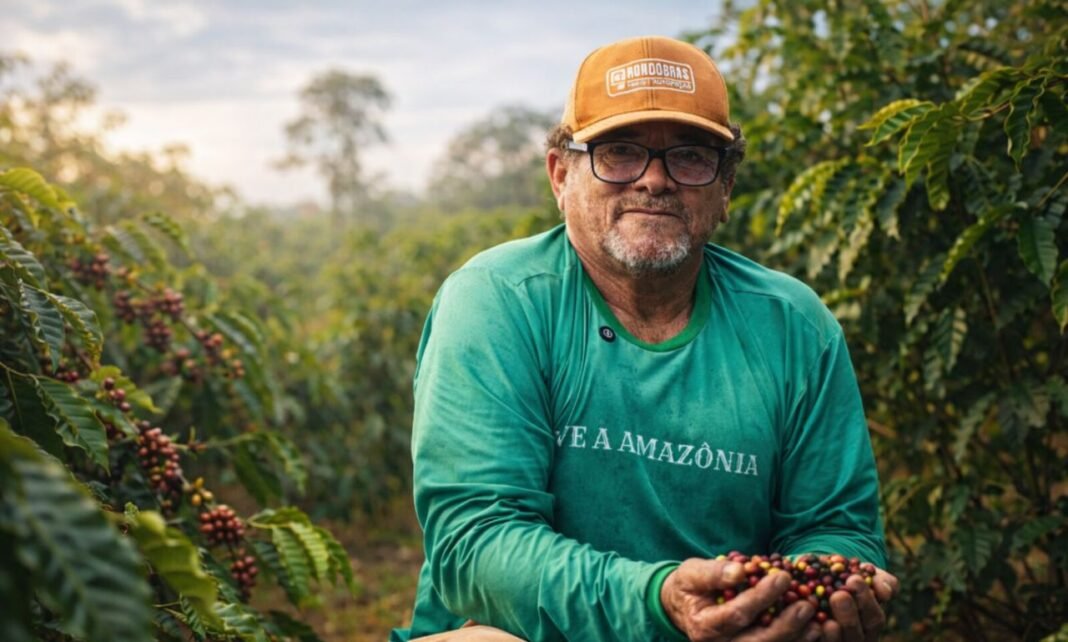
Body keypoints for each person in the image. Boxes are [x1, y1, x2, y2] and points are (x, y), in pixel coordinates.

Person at [391, 35, 898, 642]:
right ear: (560, 176)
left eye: (689, 157)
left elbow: (838, 526)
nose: (655, 181)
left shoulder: (793, 324)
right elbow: (475, 545)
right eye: (621, 152)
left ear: (725, 188)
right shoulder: (499, 300)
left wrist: (820, 589)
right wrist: (658, 601)